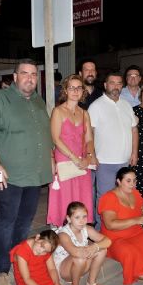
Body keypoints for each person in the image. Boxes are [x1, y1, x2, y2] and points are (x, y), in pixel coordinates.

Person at [0, 58, 53, 285]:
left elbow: (43, 135)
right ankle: (1, 271)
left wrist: (50, 162)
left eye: (34, 74)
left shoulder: (37, 100)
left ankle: (18, 261)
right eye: (25, 73)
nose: (30, 78)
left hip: (34, 175)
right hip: (8, 176)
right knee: (6, 221)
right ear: (15, 77)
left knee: (24, 222)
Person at [98, 167, 143, 285]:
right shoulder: (109, 197)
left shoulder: (135, 193)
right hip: (115, 239)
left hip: (136, 232)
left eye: (134, 181)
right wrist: (136, 220)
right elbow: (110, 225)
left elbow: (141, 207)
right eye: (128, 181)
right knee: (130, 251)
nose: (132, 184)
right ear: (119, 181)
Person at [88, 72, 139, 229]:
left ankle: (119, 227)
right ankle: (101, 231)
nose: (115, 86)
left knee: (123, 196)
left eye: (118, 83)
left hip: (125, 161)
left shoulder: (125, 104)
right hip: (105, 162)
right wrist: (92, 155)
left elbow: (134, 130)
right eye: (112, 83)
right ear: (105, 85)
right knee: (104, 198)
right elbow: (90, 133)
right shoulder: (96, 106)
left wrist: (134, 153)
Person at [47, 75, 95, 227]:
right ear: (65, 91)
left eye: (78, 87)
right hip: (65, 161)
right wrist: (74, 158)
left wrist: (88, 157)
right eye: (71, 88)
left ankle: (79, 233)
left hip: (81, 163)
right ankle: (61, 235)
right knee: (65, 199)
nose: (75, 91)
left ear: (83, 91)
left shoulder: (84, 113)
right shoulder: (58, 111)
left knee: (82, 198)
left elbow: (89, 140)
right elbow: (55, 139)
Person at [52, 202, 112, 285]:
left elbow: (108, 241)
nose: (82, 221)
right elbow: (75, 252)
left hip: (81, 264)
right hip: (65, 271)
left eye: (84, 217)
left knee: (102, 250)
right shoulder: (63, 234)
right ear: (69, 218)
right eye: (77, 217)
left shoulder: (86, 229)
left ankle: (91, 284)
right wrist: (92, 248)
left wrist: (95, 247)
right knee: (79, 258)